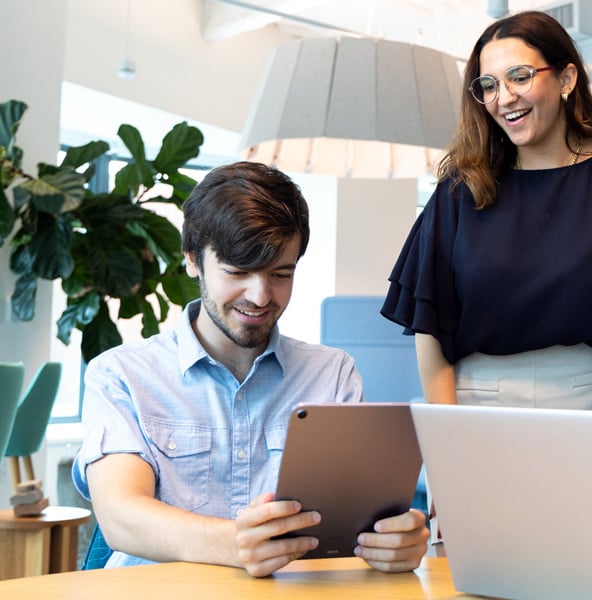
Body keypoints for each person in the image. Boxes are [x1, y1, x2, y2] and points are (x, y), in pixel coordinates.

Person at [72, 161, 429, 577]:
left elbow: (360, 523)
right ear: (193, 260)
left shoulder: (332, 374)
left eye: (281, 273)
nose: (261, 296)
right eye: (238, 272)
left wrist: (394, 540)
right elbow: (121, 516)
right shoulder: (120, 375)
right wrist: (233, 543)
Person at [381, 10, 592, 410]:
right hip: (477, 404)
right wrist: (445, 427)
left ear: (566, 79)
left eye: (520, 77)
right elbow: (431, 325)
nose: (504, 98)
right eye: (489, 85)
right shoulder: (461, 188)